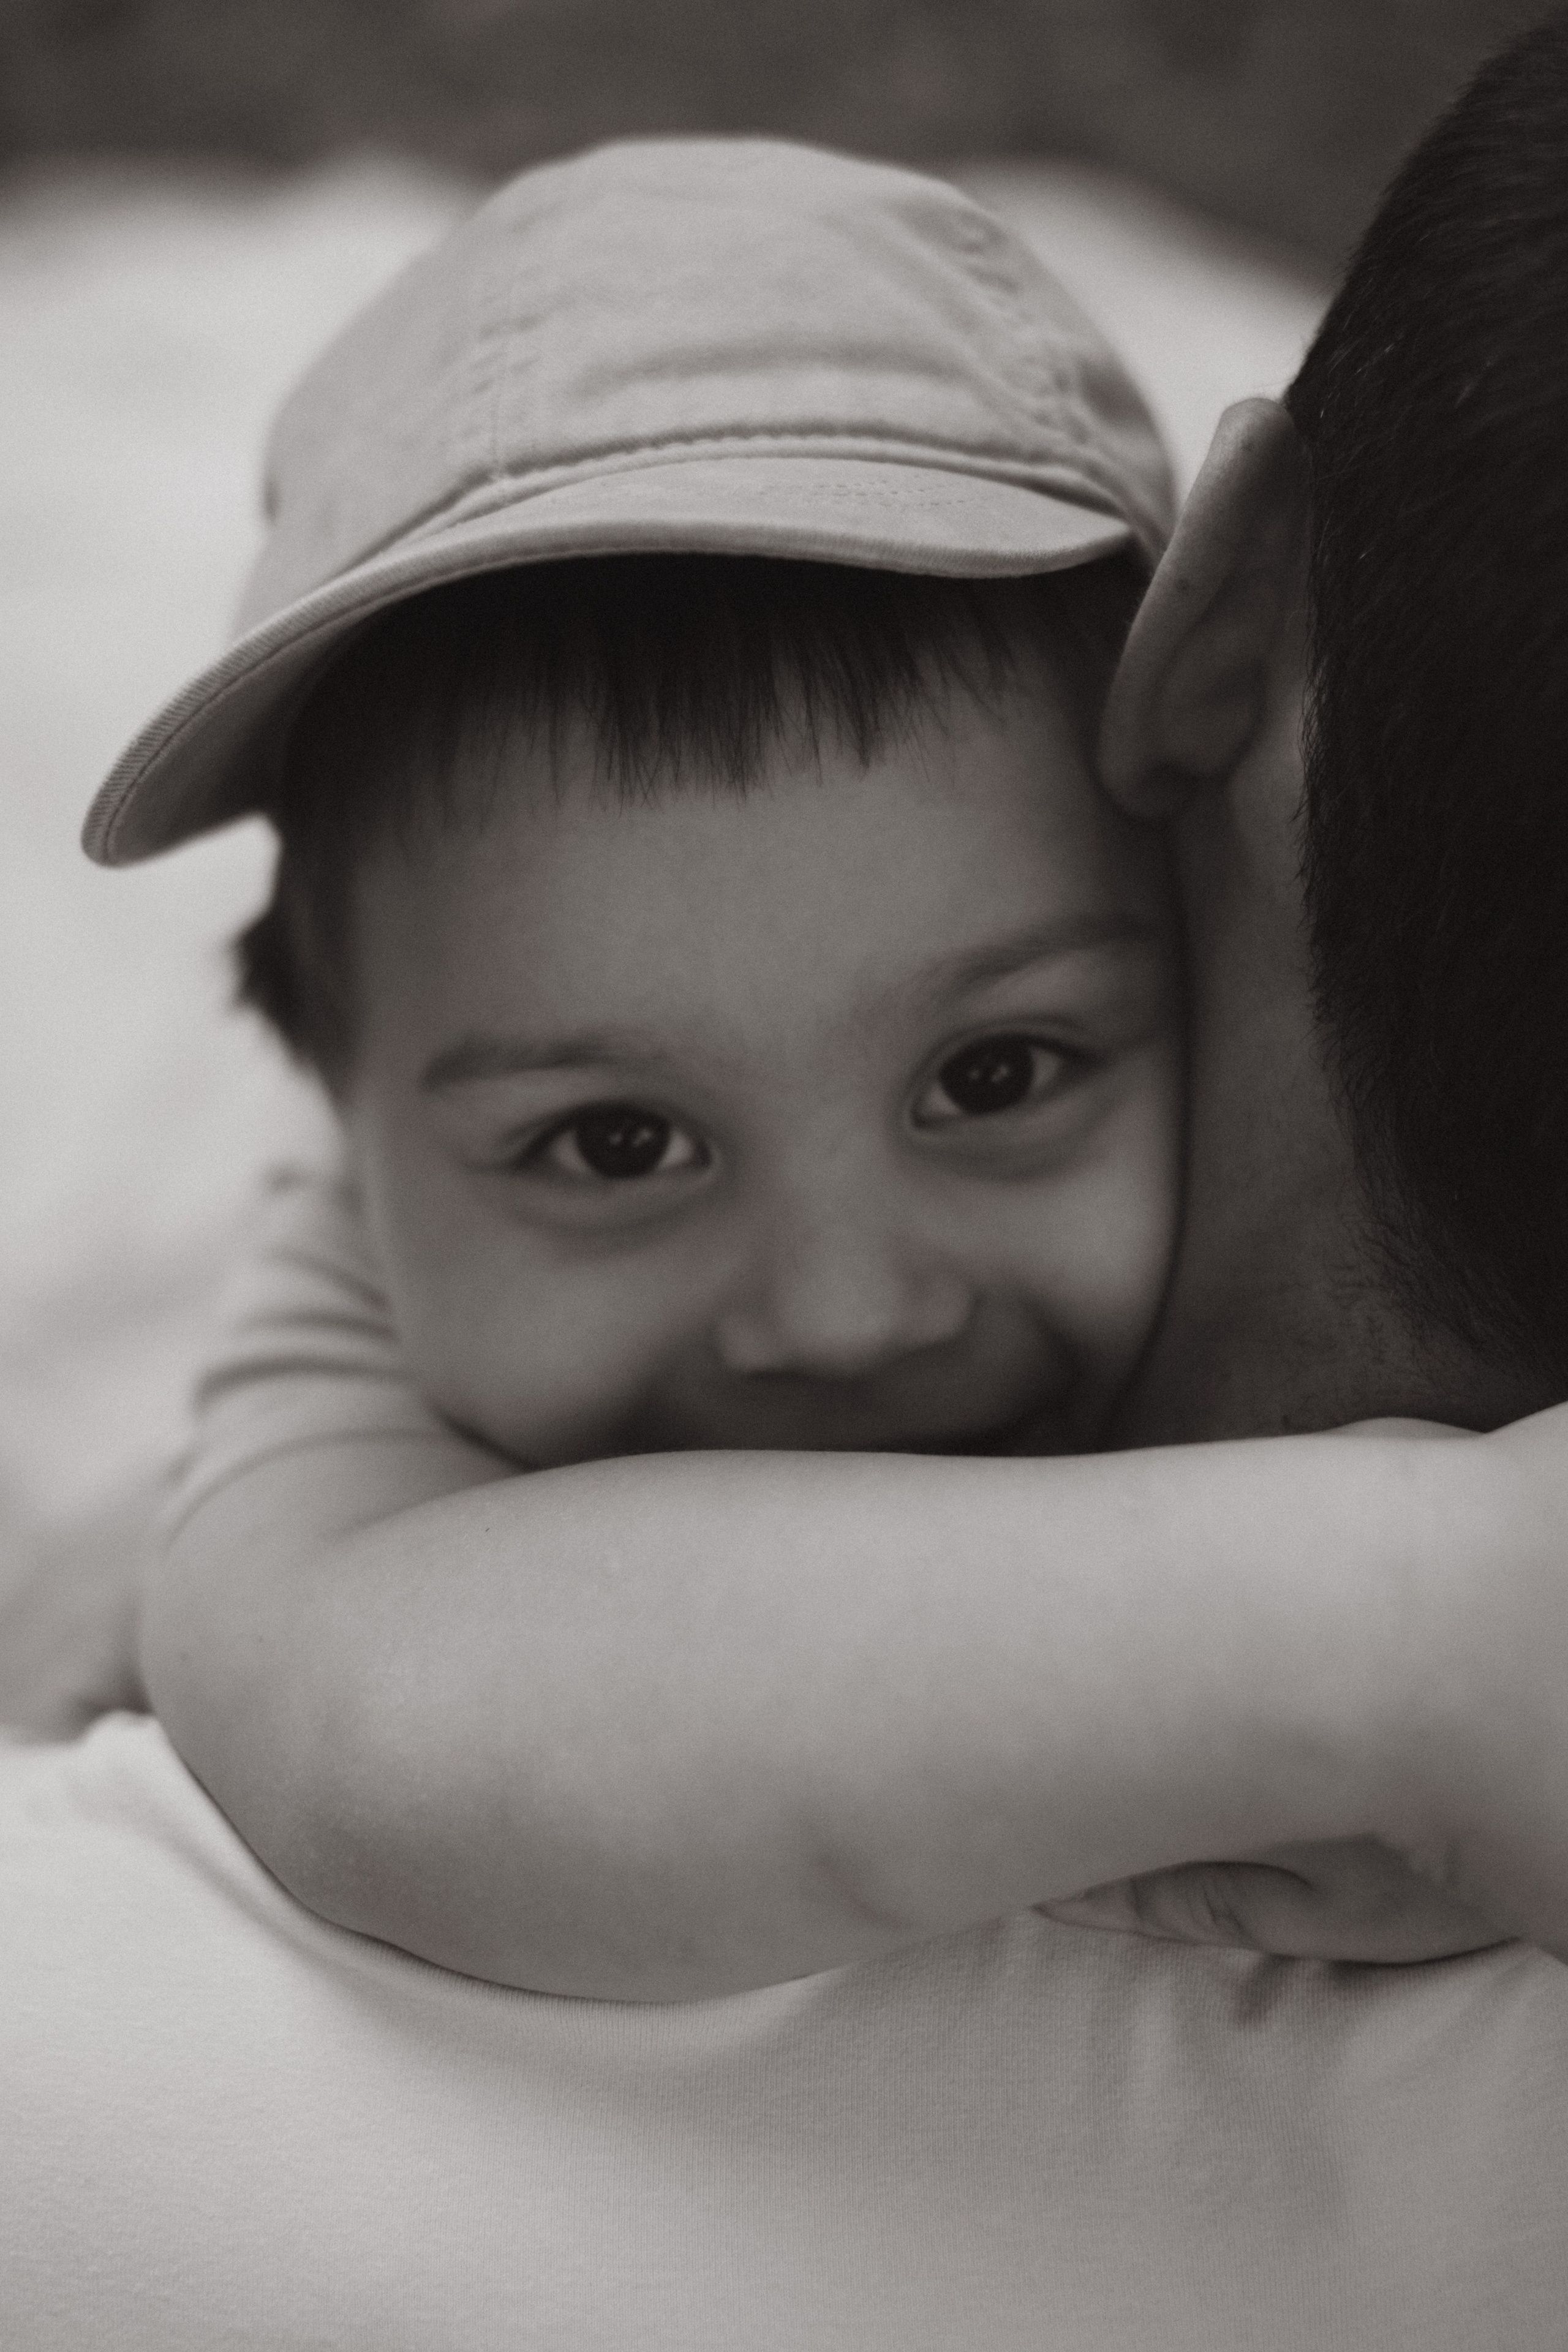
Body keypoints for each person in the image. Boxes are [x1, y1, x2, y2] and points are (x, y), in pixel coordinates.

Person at [5, 43, 1568, 2344]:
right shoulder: (336, 1348)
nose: (841, 1311)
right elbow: (350, 1682)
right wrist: (1431, 1626)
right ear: (342, 1122)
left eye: (999, 1074)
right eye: (612, 1147)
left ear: (1196, 708)